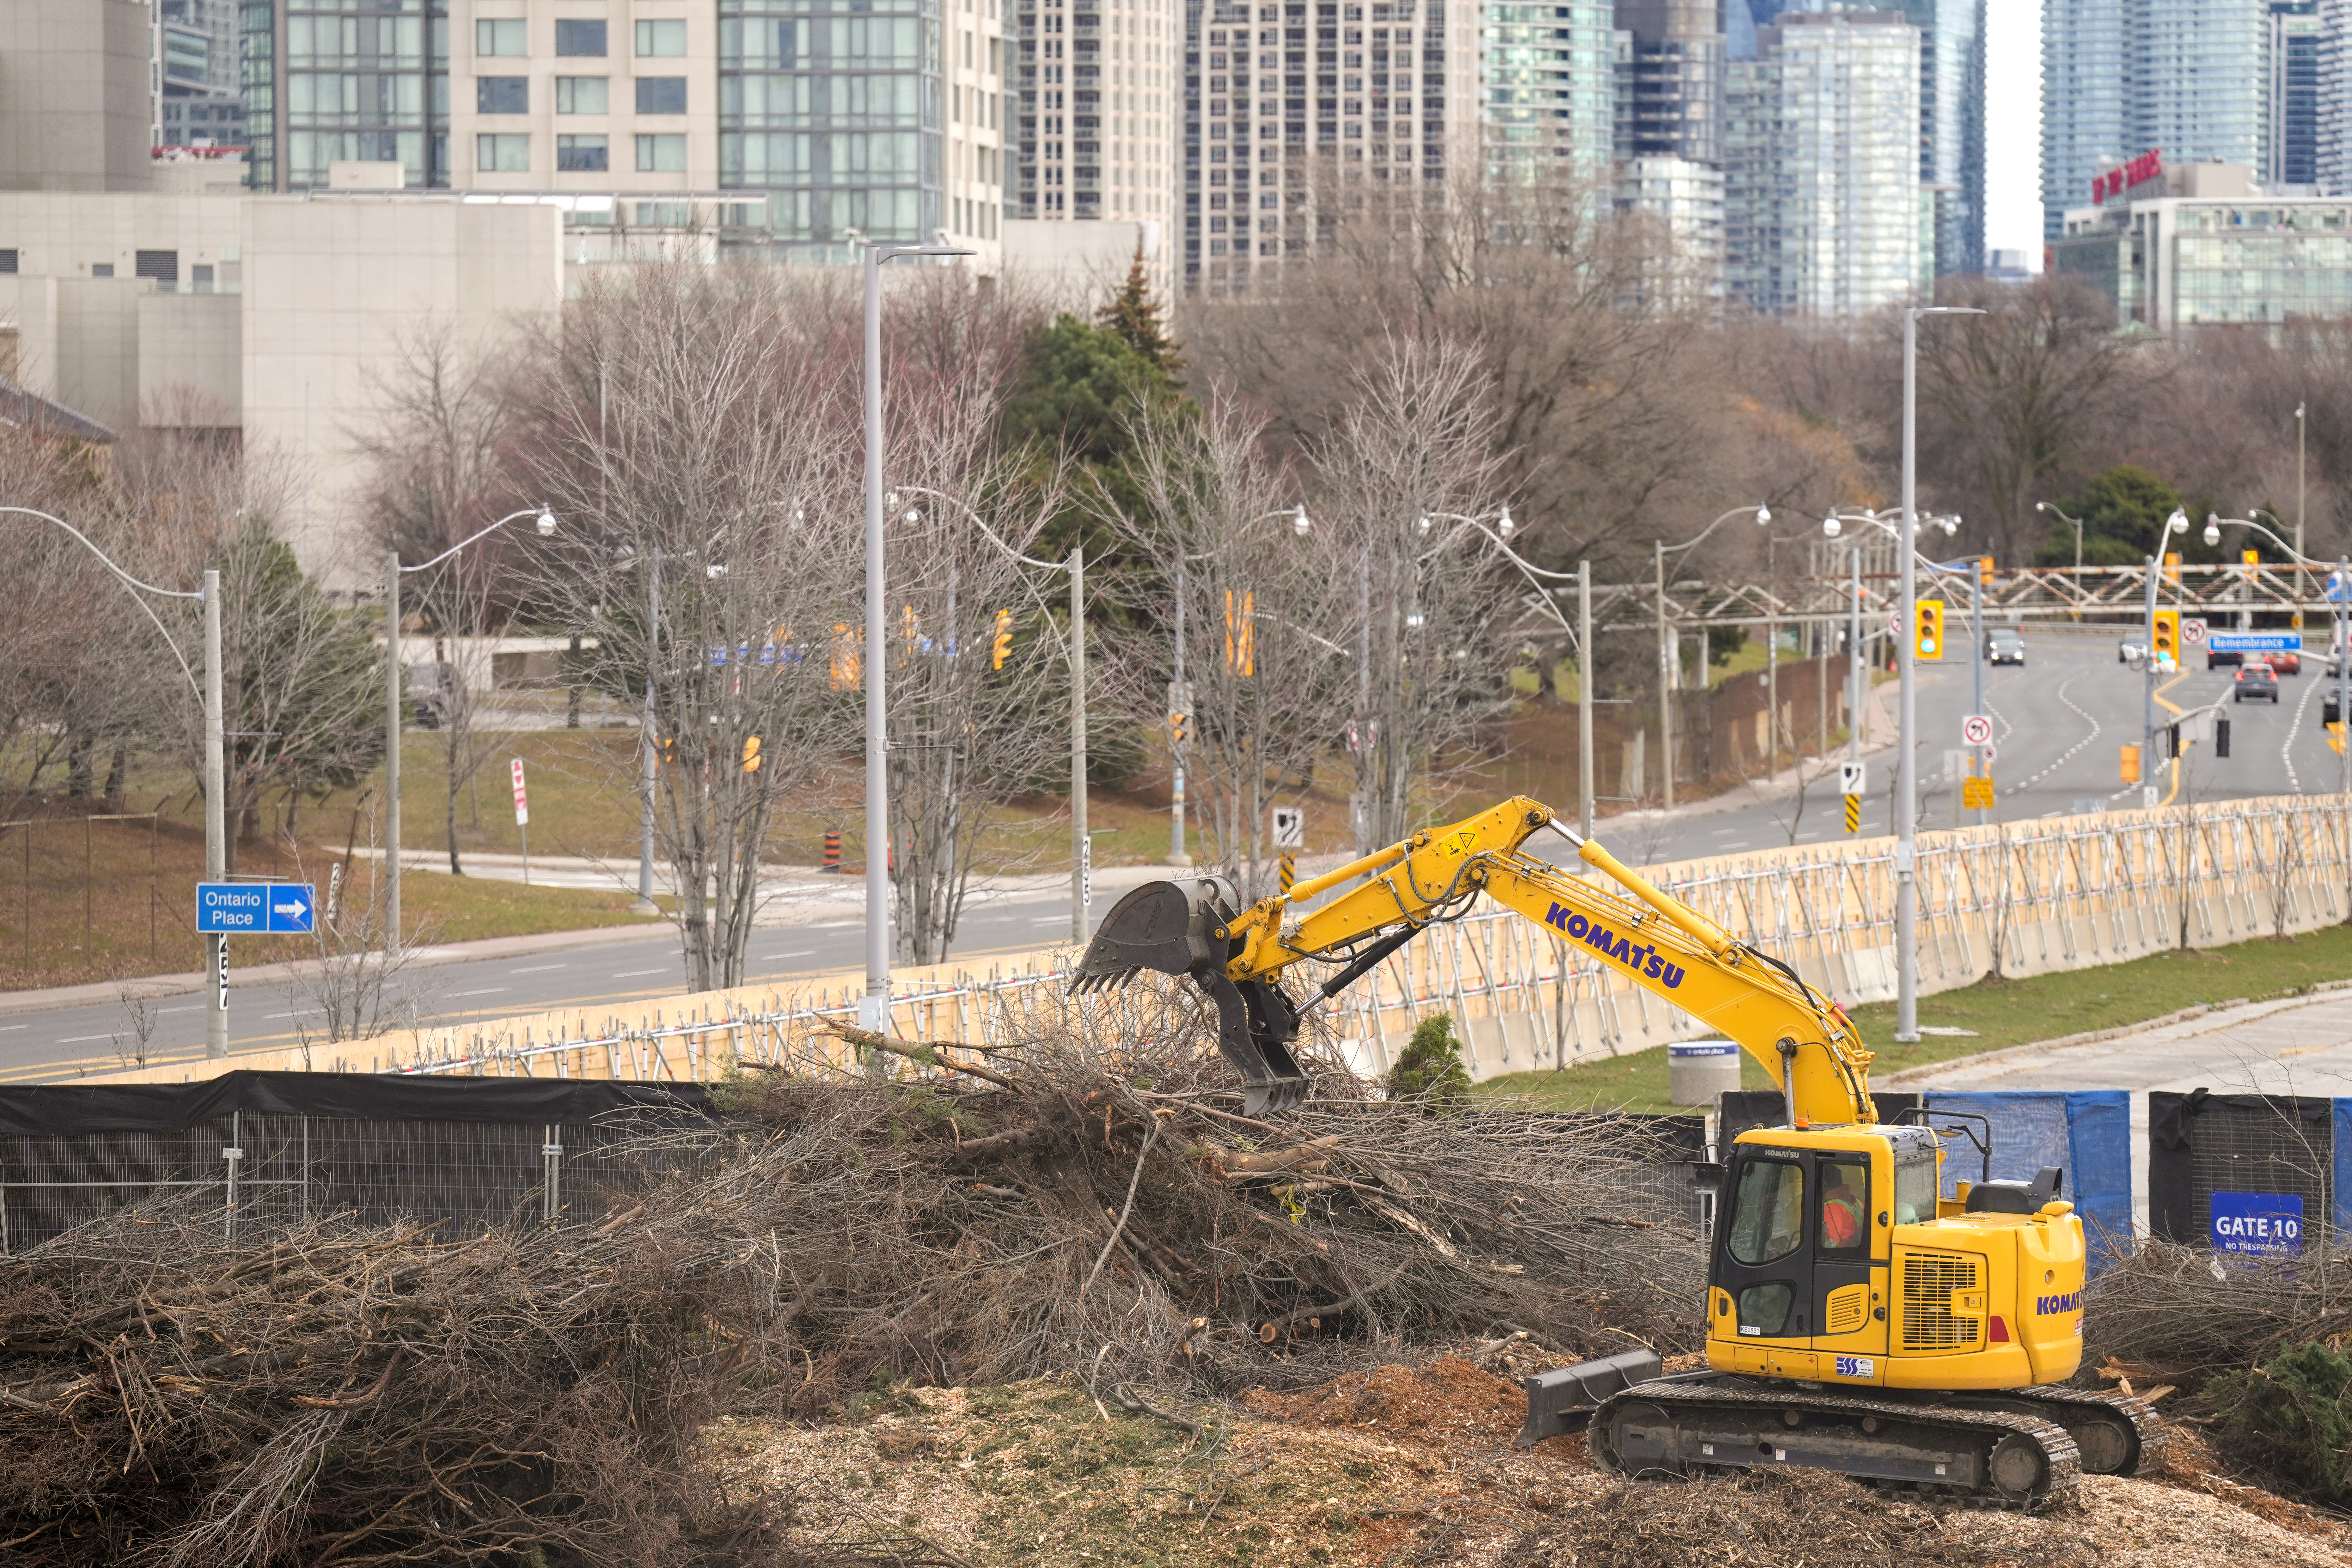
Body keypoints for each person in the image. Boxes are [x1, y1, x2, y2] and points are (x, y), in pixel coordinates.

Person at [1821, 1171, 1865, 1249]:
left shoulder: (1831, 1207)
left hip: (1843, 1252)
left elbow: (1830, 1246)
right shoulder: (1857, 1203)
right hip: (1857, 1250)